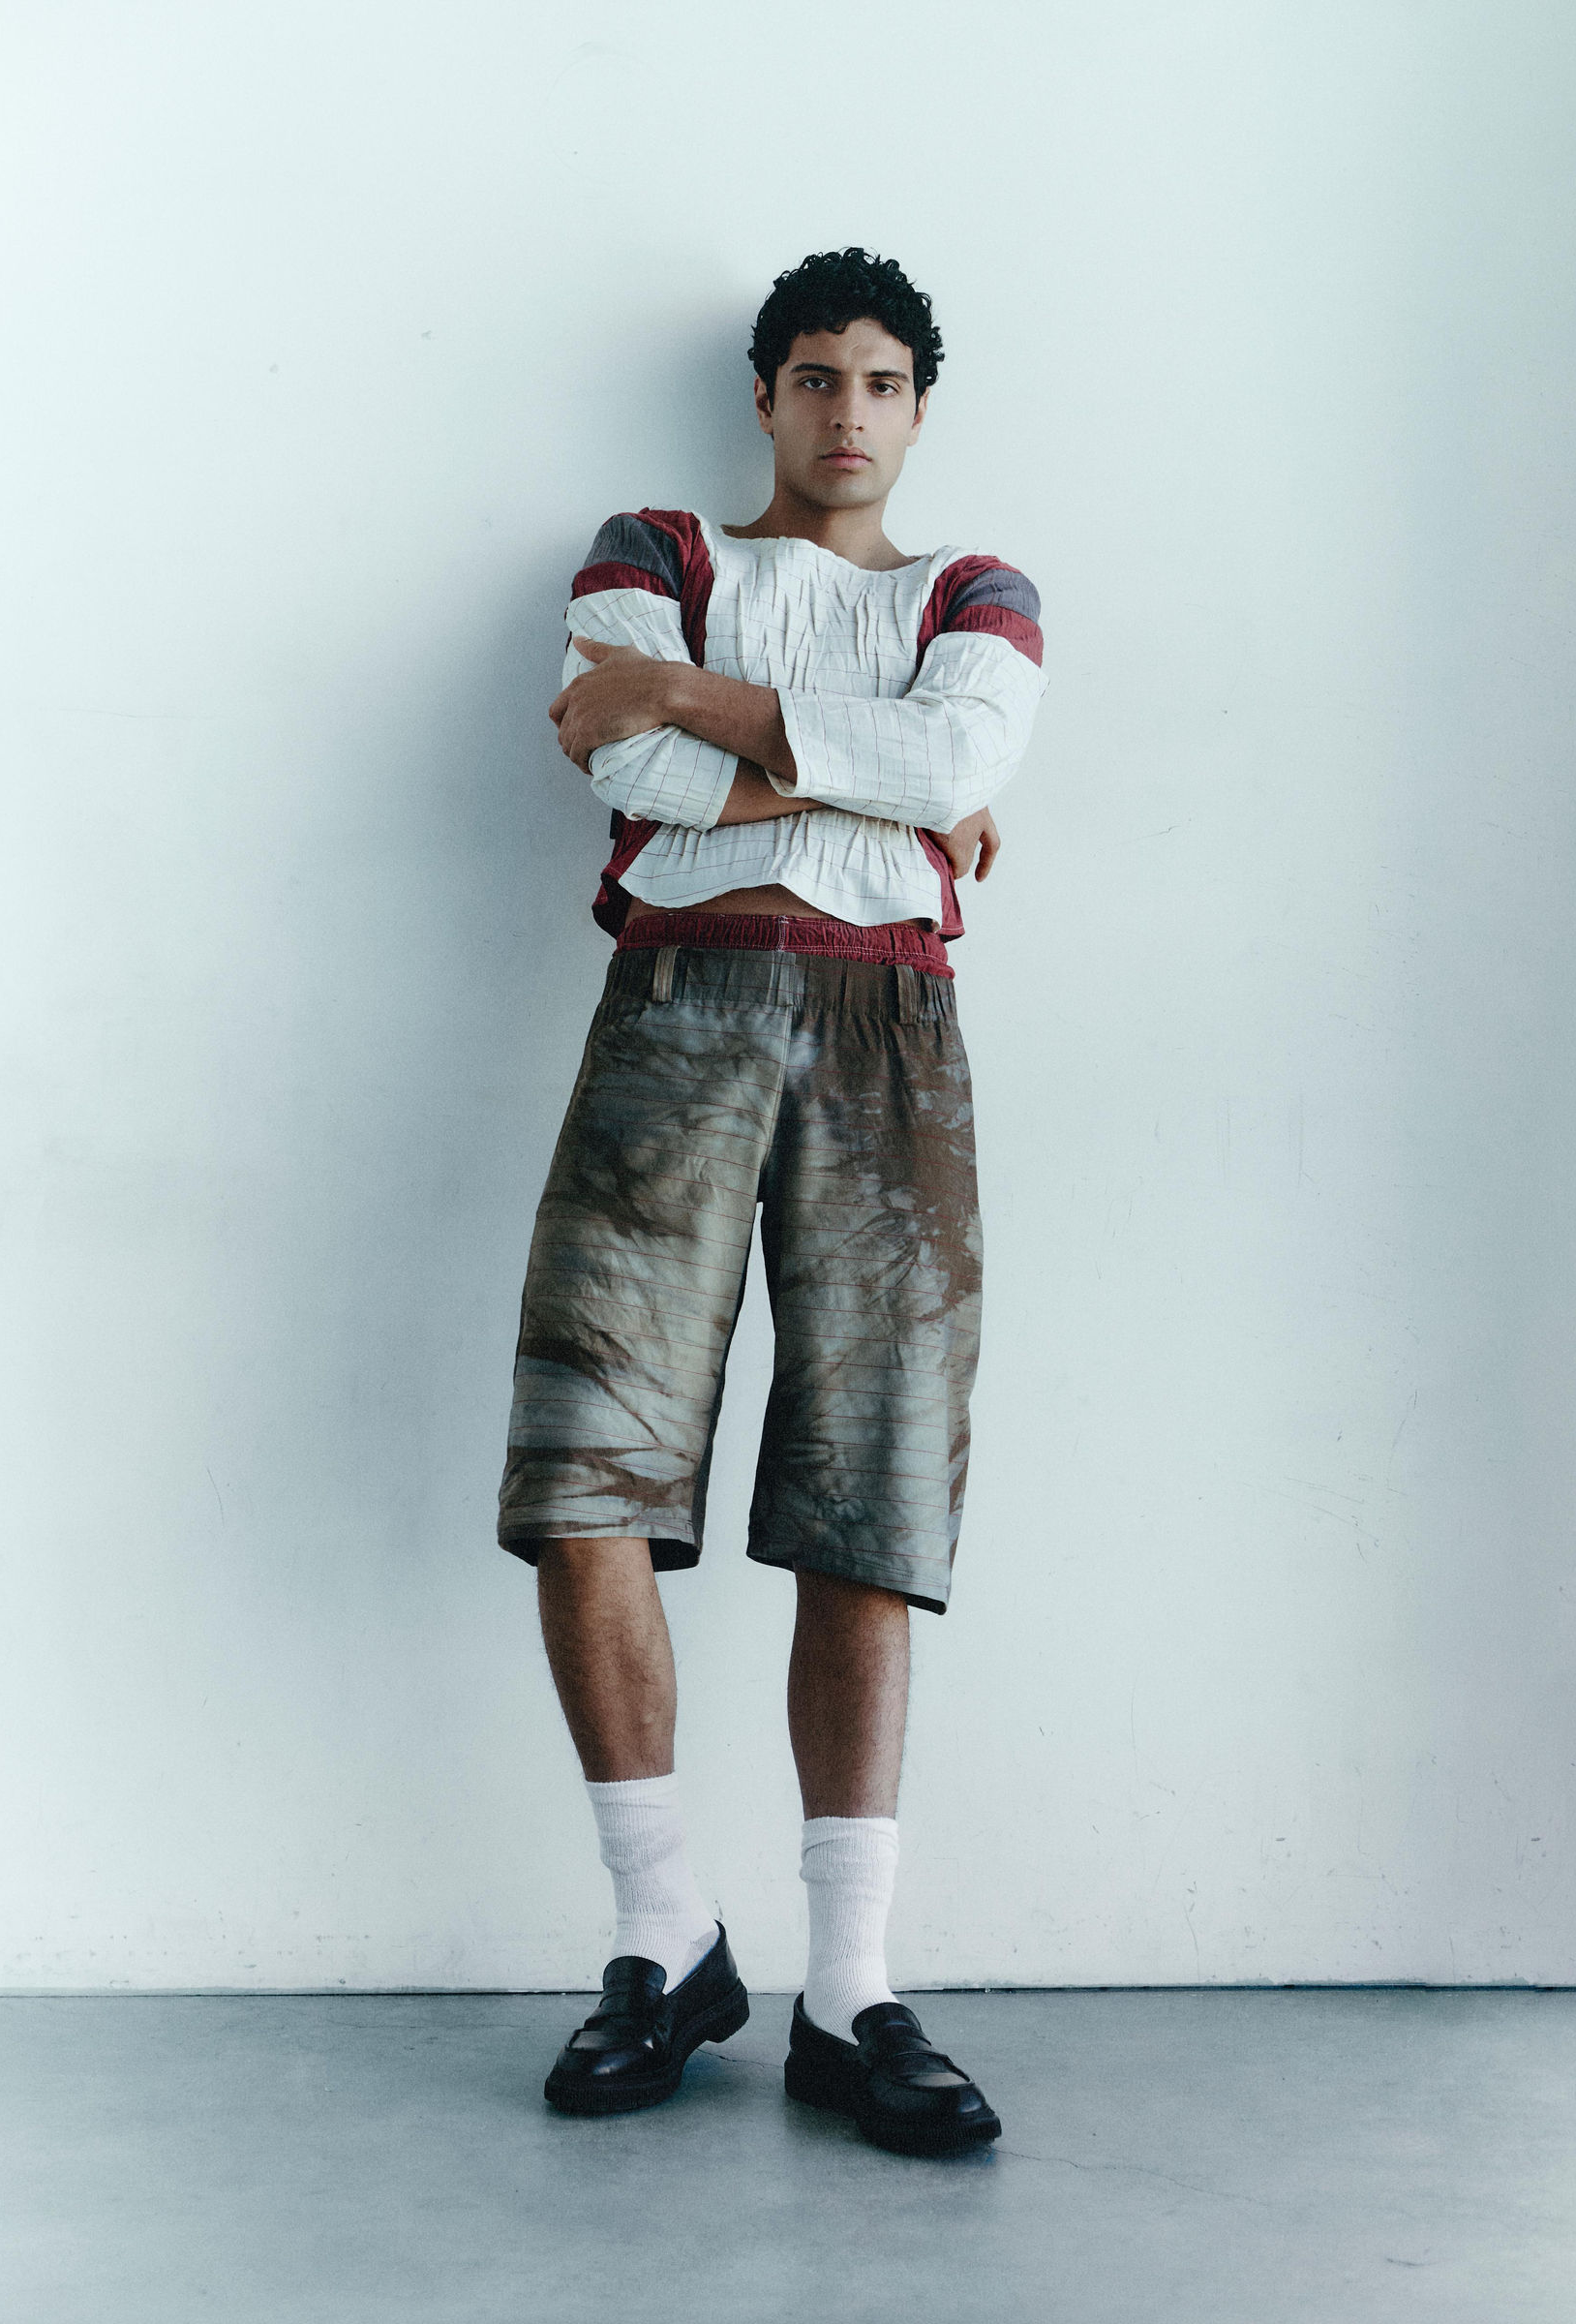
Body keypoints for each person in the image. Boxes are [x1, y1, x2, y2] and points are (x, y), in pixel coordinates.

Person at [497, 247, 1046, 2157]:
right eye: (816, 377)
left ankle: (847, 1989)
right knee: (588, 1462)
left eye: (882, 382)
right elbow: (628, 767)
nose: (848, 411)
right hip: (677, 1005)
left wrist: (687, 702)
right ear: (765, 397)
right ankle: (665, 1936)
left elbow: (958, 749)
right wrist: (860, 784)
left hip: (893, 1030)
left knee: (867, 1483)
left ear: (920, 407)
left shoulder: (974, 591)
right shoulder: (654, 543)